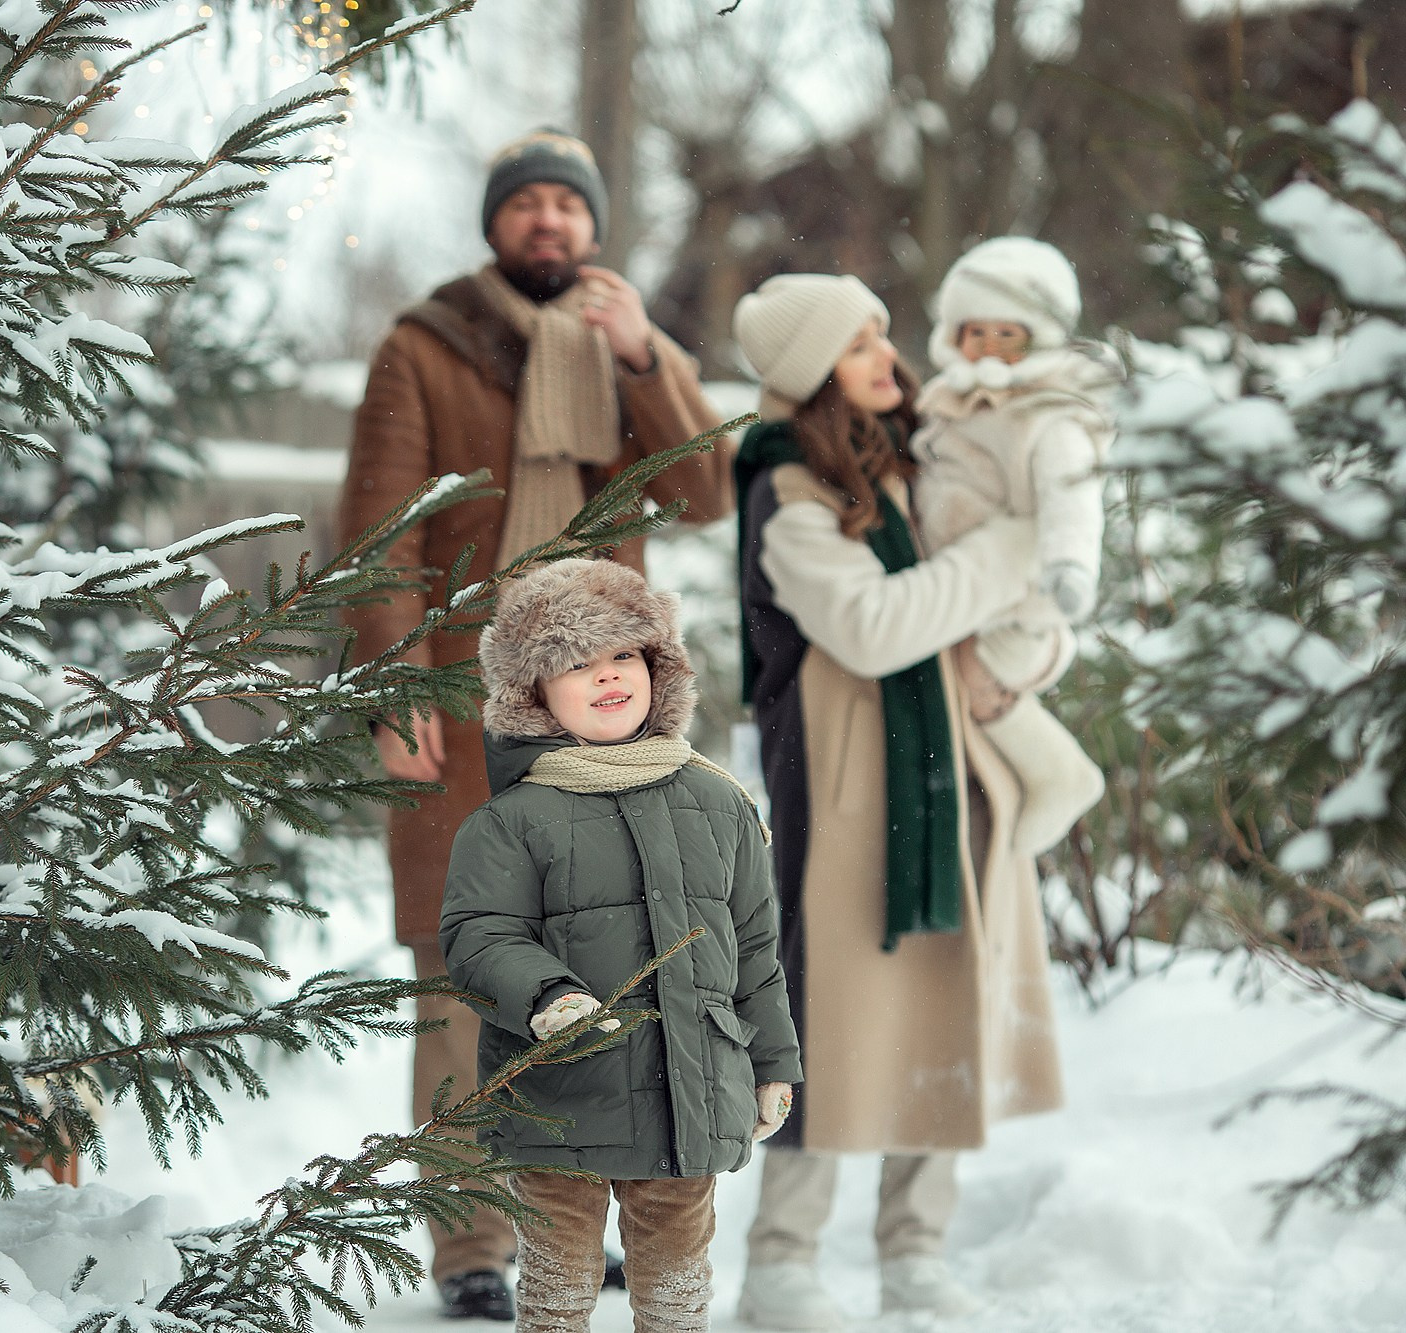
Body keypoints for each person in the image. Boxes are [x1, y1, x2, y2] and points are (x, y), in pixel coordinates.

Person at [337, 129, 731, 1319]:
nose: (548, 221)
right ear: (494, 223)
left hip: (603, 711)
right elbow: (382, 527)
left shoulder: (621, 347)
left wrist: (641, 353)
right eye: (527, 204)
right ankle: (466, 1246)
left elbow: (703, 490)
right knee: (463, 971)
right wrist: (398, 682)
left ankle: (571, 1214)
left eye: (569, 202)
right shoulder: (425, 345)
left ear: (594, 226)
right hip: (465, 702)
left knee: (604, 966)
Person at [727, 274, 1066, 1329]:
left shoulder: (920, 460)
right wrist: (1006, 549)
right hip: (838, 778)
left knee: (939, 992)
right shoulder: (783, 489)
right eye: (856, 339)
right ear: (808, 371)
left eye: (883, 326)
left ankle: (915, 1244)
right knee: (824, 1010)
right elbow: (872, 627)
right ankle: (780, 1261)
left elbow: (1016, 615)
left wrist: (1026, 651)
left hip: (943, 764)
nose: (888, 351)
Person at [438, 559, 802, 1333]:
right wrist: (545, 993)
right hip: (557, 1103)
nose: (607, 677)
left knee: (675, 1284)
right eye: (577, 663)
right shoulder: (511, 821)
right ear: (532, 692)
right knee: (559, 1288)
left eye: (624, 656)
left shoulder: (716, 802)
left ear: (657, 668)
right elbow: (479, 934)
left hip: (688, 1096)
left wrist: (773, 1062)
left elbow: (756, 949)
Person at [912, 236, 1118, 854]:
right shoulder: (949, 403)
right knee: (945, 675)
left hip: (1023, 595)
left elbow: (1071, 496)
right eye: (980, 334)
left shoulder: (1050, 416)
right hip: (964, 589)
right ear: (956, 336)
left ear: (1041, 340)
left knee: (970, 673)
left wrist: (1069, 566)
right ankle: (996, 788)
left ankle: (1061, 775)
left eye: (1012, 335)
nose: (993, 350)